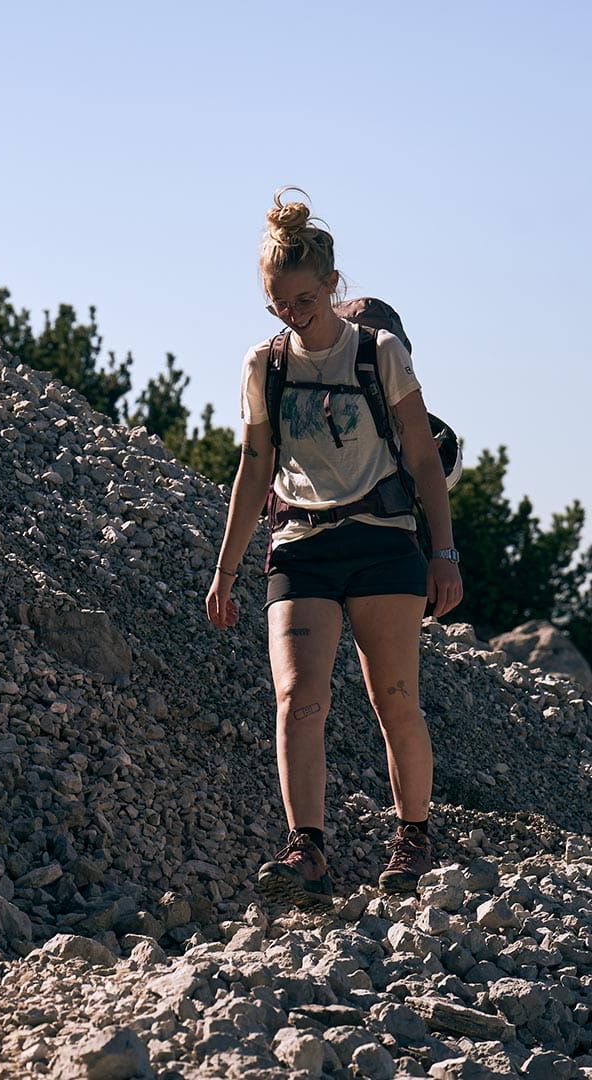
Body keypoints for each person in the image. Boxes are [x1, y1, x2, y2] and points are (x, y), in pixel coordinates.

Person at [206, 189, 463, 908]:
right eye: (278, 304)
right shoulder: (266, 366)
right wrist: (225, 572)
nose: (293, 314)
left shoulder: (379, 355)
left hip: (383, 543)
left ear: (331, 286)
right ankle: (307, 850)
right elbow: (254, 468)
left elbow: (421, 459)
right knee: (297, 697)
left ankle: (410, 839)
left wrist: (445, 555)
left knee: (394, 697)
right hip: (301, 546)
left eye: (304, 299)